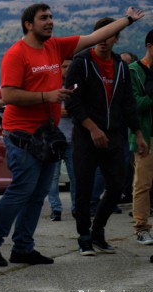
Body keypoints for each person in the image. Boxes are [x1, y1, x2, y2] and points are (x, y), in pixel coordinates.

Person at [0, 3, 144, 267]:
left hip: (48, 135)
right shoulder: (16, 54)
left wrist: (128, 20)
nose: (50, 21)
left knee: (38, 193)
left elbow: (95, 37)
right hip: (22, 135)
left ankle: (23, 247)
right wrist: (47, 96)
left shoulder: (55, 47)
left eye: (52, 17)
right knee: (21, 190)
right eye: (44, 18)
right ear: (28, 24)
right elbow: (7, 96)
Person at [65, 17, 148, 256]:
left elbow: (128, 103)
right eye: (99, 35)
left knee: (116, 186)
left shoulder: (121, 65)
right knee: (83, 188)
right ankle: (83, 237)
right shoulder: (81, 62)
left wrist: (139, 134)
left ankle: (98, 231)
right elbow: (73, 100)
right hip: (86, 136)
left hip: (115, 135)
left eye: (108, 35)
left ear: (116, 37)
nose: (103, 39)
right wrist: (92, 128)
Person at [128, 29, 153, 245]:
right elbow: (134, 105)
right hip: (144, 134)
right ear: (149, 47)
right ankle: (141, 227)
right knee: (143, 183)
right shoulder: (133, 71)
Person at [48, 59, 75, 221]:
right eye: (63, 67)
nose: (66, 70)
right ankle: (55, 209)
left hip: (73, 138)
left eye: (69, 67)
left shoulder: (77, 87)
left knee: (75, 176)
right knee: (53, 177)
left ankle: (76, 208)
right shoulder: (51, 87)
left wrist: (70, 110)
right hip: (55, 139)